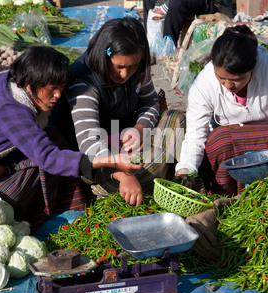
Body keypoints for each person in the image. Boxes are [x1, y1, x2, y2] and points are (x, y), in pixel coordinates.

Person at [0, 46, 142, 230]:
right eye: (52, 88)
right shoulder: (11, 110)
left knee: (54, 137)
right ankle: (35, 219)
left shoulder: (12, 85)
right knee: (39, 168)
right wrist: (112, 162)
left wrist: (0, 170)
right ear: (29, 85)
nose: (58, 95)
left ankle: (69, 207)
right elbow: (48, 158)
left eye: (61, 87)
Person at [50, 17, 185, 206]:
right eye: (119, 66)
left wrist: (139, 128)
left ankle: (162, 172)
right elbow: (89, 144)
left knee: (176, 119)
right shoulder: (83, 84)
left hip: (124, 142)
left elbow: (151, 101)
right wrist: (122, 174)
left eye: (132, 66)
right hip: (98, 161)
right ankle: (128, 184)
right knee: (158, 163)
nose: (124, 74)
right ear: (104, 56)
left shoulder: (137, 69)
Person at [175, 25, 268, 196]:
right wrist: (186, 168)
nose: (228, 86)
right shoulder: (203, 83)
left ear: (253, 67)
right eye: (221, 78)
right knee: (220, 140)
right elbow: (195, 135)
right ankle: (227, 197)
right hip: (227, 147)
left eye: (236, 80)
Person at [143, 0, 234, 46]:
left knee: (176, 4)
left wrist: (164, 7)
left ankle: (168, 49)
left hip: (207, 2)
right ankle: (151, 46)